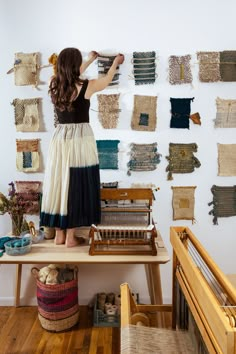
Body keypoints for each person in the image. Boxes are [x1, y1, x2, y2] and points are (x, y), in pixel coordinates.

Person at [40, 48, 124, 247]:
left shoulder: (55, 83)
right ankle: (70, 237)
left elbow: (73, 72)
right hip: (80, 139)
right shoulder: (87, 86)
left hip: (60, 138)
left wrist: (89, 59)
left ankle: (59, 235)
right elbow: (107, 79)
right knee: (76, 182)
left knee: (60, 181)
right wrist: (115, 63)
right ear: (75, 65)